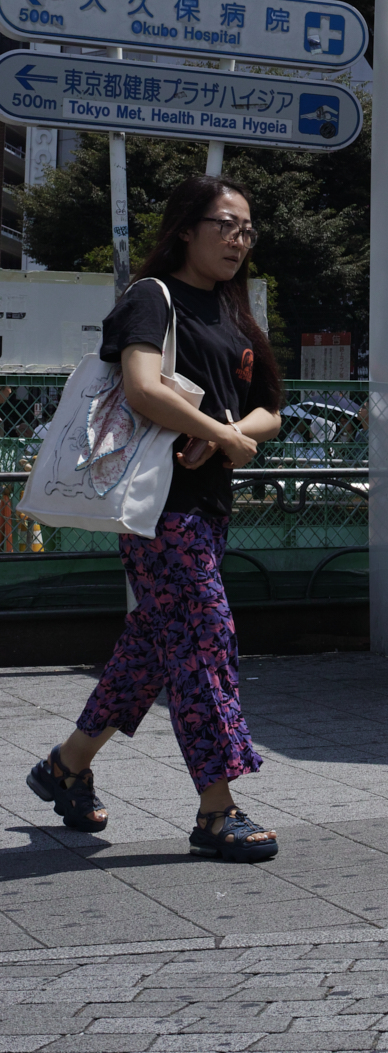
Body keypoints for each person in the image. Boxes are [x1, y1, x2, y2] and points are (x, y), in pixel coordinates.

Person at [25, 175, 284, 862]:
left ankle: (65, 767)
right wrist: (218, 434)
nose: (239, 239)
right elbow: (141, 388)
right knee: (206, 644)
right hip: (157, 510)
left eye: (247, 229)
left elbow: (271, 410)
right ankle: (215, 810)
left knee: (150, 650)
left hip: (208, 508)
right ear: (185, 229)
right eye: (226, 225)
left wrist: (228, 431)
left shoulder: (234, 312)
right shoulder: (152, 299)